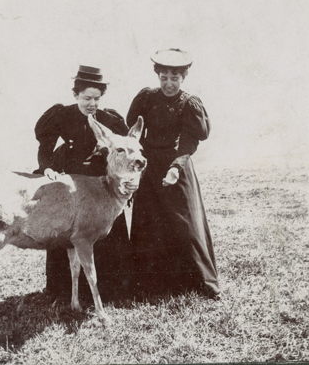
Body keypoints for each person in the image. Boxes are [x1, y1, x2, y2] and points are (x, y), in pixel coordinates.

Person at [126, 49, 220, 300]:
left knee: (185, 223)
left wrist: (175, 167)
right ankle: (151, 285)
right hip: (149, 168)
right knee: (149, 224)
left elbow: (190, 142)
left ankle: (203, 283)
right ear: (157, 75)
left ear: (184, 77)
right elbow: (133, 130)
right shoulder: (146, 98)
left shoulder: (190, 104)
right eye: (164, 77)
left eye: (175, 78)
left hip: (177, 165)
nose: (169, 83)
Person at [34, 65, 132, 301]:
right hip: (70, 184)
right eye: (86, 97)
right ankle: (63, 291)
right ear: (75, 94)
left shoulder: (110, 120)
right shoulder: (61, 115)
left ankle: (110, 290)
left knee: (105, 232)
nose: (92, 103)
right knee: (66, 231)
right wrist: (47, 167)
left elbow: (125, 153)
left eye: (97, 98)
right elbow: (45, 147)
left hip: (101, 188)